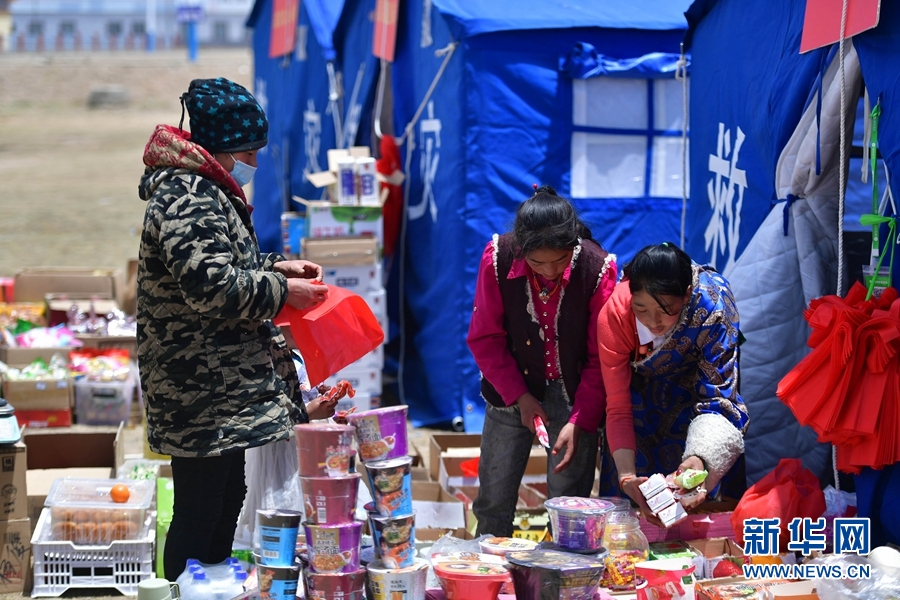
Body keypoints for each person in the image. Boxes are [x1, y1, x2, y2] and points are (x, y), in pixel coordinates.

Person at [136, 77, 328, 580]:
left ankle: (212, 586)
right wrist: (282, 292)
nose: (254, 163)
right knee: (200, 508)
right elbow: (211, 287)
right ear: (221, 147)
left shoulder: (210, 189)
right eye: (249, 152)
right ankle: (185, 589)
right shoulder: (186, 195)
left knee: (227, 496)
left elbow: (227, 262)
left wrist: (276, 267)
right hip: (196, 385)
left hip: (221, 386)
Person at [467, 185, 617, 537]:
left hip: (575, 396)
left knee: (569, 506)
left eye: (560, 260)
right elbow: (485, 338)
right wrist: (519, 397)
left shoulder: (597, 268)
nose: (549, 271)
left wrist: (580, 420)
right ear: (522, 250)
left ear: (574, 245)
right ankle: (487, 566)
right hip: (509, 387)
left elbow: (601, 357)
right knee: (493, 499)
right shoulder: (498, 258)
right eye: (537, 263)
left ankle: (565, 569)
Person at [597, 242, 750, 523]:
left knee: (706, 511)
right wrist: (627, 478)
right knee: (630, 515)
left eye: (666, 309)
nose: (653, 322)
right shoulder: (615, 315)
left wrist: (702, 460)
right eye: (641, 309)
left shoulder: (713, 308)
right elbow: (617, 407)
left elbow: (719, 398)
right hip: (640, 403)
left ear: (687, 294)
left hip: (700, 401)